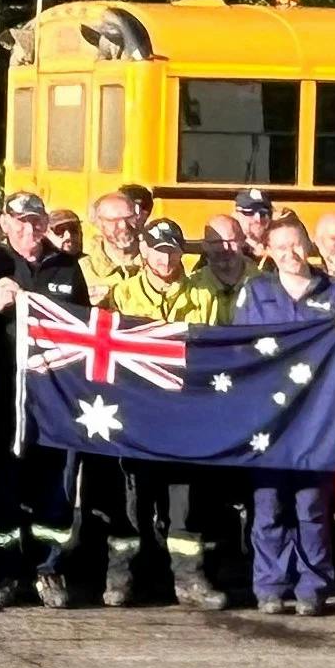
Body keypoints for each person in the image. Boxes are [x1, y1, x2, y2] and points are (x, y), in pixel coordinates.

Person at [226, 223, 335, 616]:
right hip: (269, 419)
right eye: (280, 247)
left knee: (312, 506)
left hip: (316, 419)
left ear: (308, 245)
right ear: (267, 250)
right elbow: (240, 351)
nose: (290, 254)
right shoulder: (255, 291)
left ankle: (313, 588)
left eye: (296, 245)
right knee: (269, 505)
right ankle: (270, 587)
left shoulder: (334, 292)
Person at [107, 218, 227, 609]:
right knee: (132, 499)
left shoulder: (204, 293)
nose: (166, 259)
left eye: (172, 251)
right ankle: (123, 575)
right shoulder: (121, 293)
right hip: (136, 412)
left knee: (184, 500)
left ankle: (189, 578)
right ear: (143, 250)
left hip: (184, 415)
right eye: (158, 250)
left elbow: (217, 347)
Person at [0, 197, 90, 608]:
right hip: (3, 398)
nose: (29, 231)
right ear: (5, 223)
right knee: (1, 490)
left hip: (54, 398)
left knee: (54, 490)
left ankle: (48, 568)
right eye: (20, 222)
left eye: (36, 223)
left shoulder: (66, 267)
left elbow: (85, 330)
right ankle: (1, 570)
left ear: (45, 225)